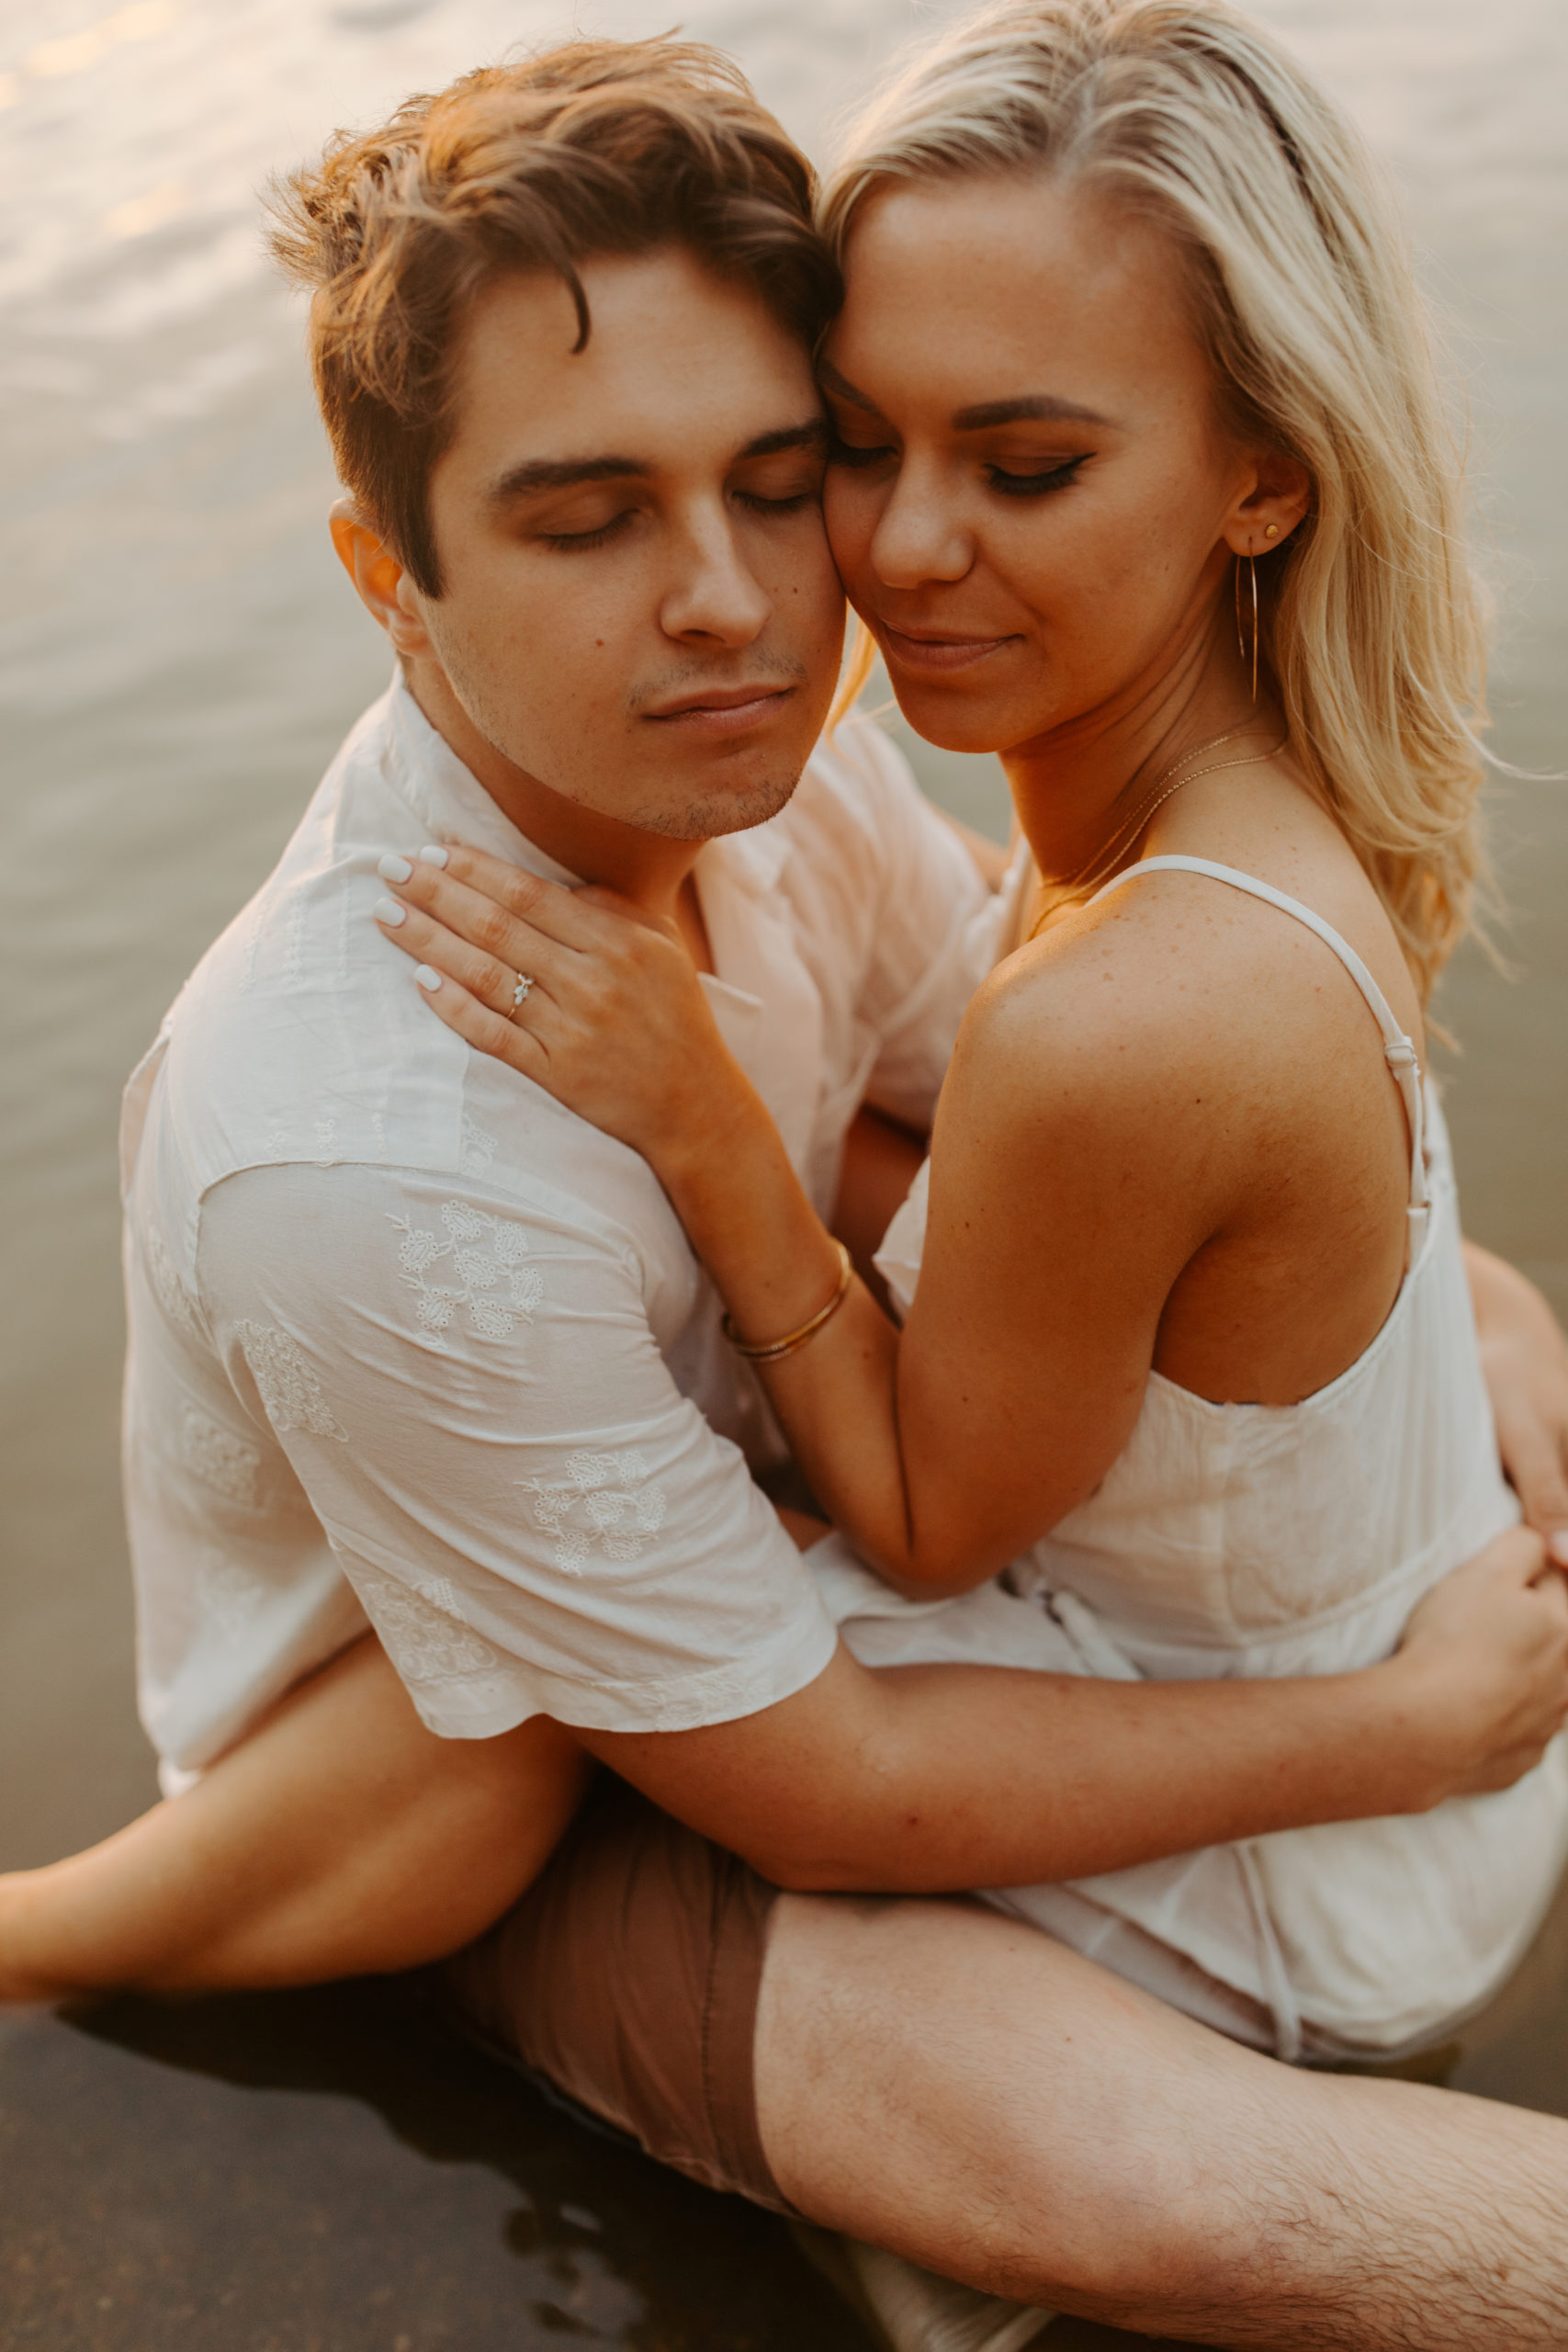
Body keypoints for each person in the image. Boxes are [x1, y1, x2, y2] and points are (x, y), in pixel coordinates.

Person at [9, 27, 1568, 2346]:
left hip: (788, 1589)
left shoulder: (786, 785)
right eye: (581, 515)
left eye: (779, 471)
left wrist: (1457, 1297)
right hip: (462, 1766)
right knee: (1117, 2168)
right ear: (387, 570)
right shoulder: (367, 1164)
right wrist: (1407, 1726)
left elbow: (1040, 1122)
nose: (745, 600)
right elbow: (829, 1779)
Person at [378, 0, 1568, 2075]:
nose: (899, 546)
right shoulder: (1262, 790)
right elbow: (1113, 1256)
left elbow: (935, 1522)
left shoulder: (1121, 1010)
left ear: (1264, 479)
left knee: (508, 1668)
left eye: (1023, 465)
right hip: (1400, 1713)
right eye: (853, 439)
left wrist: (700, 1121)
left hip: (1311, 1871)